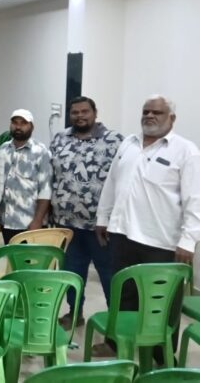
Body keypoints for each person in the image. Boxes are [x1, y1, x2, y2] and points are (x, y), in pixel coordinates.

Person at [96, 95, 200, 360]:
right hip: (123, 233)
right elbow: (112, 182)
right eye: (146, 111)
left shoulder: (185, 151)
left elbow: (195, 199)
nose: (150, 116)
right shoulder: (128, 144)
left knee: (162, 301)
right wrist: (103, 217)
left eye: (157, 112)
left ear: (171, 118)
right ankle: (116, 344)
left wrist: (189, 240)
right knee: (123, 293)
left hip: (161, 241)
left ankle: (162, 354)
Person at [50, 96, 122, 331]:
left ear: (94, 113)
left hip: (100, 226)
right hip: (66, 224)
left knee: (108, 274)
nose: (80, 116)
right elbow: (52, 176)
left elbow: (122, 180)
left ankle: (115, 321)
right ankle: (74, 313)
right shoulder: (60, 139)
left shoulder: (114, 141)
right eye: (75, 112)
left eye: (84, 111)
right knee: (72, 272)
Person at [0, 109, 52, 244]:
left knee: (29, 258)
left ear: (31, 127)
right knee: (11, 256)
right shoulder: (3, 149)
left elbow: (46, 191)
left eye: (23, 123)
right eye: (15, 123)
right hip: (6, 221)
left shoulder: (41, 152)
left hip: (29, 223)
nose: (18, 127)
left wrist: (38, 221)